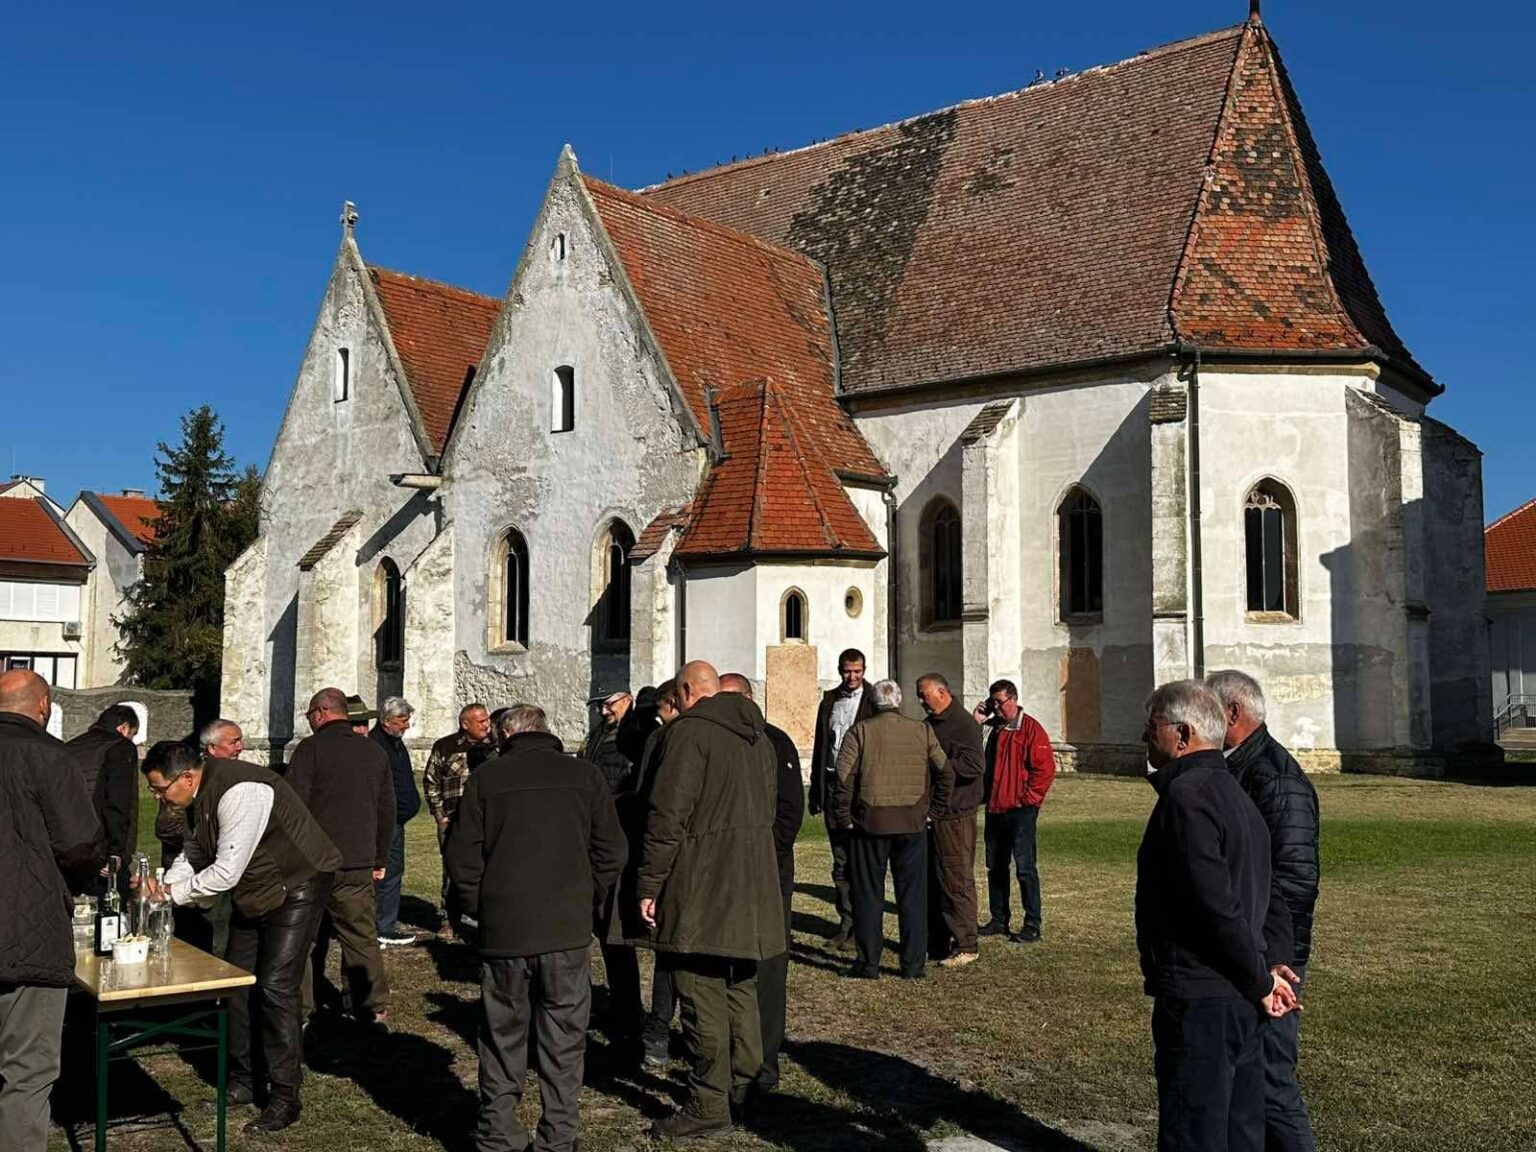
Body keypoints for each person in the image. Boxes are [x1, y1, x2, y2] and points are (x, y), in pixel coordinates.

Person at [447, 703, 625, 1152]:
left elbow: (462, 858)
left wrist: (482, 908)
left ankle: (499, 1133)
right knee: (564, 1038)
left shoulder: (487, 779)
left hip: (507, 929)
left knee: (502, 1036)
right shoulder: (584, 776)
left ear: (507, 734)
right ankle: (557, 1137)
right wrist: (586, 900)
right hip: (564, 929)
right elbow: (611, 851)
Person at [144, 741, 342, 1134]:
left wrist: (169, 894)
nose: (156, 796)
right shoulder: (195, 799)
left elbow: (225, 872)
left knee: (275, 986)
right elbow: (193, 853)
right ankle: (245, 1079)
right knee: (235, 982)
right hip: (255, 891)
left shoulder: (241, 791)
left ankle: (284, 1096)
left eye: (159, 788)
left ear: (186, 777)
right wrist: (163, 886)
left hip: (297, 883)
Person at [1137, 679, 1298, 1152]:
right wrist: (1271, 963)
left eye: (1152, 727)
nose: (1145, 737)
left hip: (1202, 995)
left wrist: (1262, 978)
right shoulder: (1233, 792)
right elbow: (1270, 893)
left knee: (1196, 1131)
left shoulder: (1188, 797)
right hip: (1239, 996)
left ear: (1182, 735)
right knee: (1239, 1130)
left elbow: (1214, 906)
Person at [638, 661, 783, 1138]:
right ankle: (747, 1090)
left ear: (685, 691)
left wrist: (649, 884)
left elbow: (667, 816)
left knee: (699, 990)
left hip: (702, 881)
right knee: (739, 986)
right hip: (751, 880)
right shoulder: (759, 737)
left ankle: (708, 1102)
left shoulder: (688, 734)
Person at [1208, 670, 1320, 1152]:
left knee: (1272, 1081)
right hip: (1249, 949)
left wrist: (1274, 958)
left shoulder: (1274, 777)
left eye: (1209, 709)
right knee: (1247, 1080)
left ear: (1232, 713)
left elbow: (1295, 878)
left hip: (1273, 956)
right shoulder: (1241, 768)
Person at [0, 670, 103, 1152]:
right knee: (27, 1070)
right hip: (28, 927)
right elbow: (80, 844)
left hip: (23, 921)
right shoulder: (48, 755)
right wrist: (80, 884)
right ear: (43, 706)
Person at [286, 688, 394, 1028]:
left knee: (302, 938)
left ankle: (300, 1009)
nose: (310, 721)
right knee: (359, 936)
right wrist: (379, 856)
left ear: (321, 712)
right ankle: (371, 1006)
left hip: (313, 861)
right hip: (357, 859)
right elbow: (386, 810)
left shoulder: (310, 749)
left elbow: (293, 807)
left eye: (309, 715)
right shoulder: (373, 751)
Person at [719, 672, 804, 1092]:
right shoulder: (717, 742)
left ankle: (764, 1061)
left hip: (769, 870)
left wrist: (765, 855)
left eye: (731, 699)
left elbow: (790, 810)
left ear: (750, 699)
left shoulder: (775, 741)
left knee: (769, 969)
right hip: (727, 873)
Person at [832, 680, 949, 979]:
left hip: (870, 824)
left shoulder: (860, 731)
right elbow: (945, 772)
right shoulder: (922, 730)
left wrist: (843, 817)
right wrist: (933, 811)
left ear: (873, 703)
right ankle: (913, 964)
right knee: (913, 897)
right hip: (912, 823)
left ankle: (868, 963)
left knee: (868, 896)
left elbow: (843, 778)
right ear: (899, 702)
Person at [807, 649, 877, 950]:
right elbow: (821, 746)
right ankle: (845, 924)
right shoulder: (830, 701)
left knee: (861, 860)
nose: (852, 677)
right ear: (840, 670)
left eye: (857, 671)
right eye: (848, 671)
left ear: (864, 670)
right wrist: (816, 790)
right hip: (834, 784)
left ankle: (862, 929)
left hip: (861, 787)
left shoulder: (874, 701)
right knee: (840, 861)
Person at [975, 679, 1055, 943]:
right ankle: (999, 919)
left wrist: (1028, 800)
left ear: (1014, 699)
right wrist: (977, 721)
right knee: (995, 867)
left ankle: (1032, 923)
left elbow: (1044, 770)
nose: (996, 707)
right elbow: (969, 748)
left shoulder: (1030, 729)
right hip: (995, 808)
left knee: (1025, 868)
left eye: (1000, 702)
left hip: (1020, 811)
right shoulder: (990, 729)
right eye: (993, 703)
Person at [585, 689, 643, 1048]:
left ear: (629, 699)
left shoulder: (635, 736)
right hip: (599, 838)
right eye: (600, 705)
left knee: (617, 934)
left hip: (622, 840)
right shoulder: (598, 735)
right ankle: (621, 1003)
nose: (604, 710)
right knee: (606, 933)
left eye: (611, 703)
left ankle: (630, 1012)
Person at [628, 679, 681, 1071]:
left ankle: (660, 1030)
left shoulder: (667, 740)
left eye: (661, 711)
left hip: (675, 859)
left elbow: (653, 804)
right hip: (691, 859)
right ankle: (662, 1030)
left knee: (672, 949)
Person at [916, 673, 986, 967]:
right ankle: (937, 943)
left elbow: (975, 765)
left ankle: (966, 944)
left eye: (925, 696)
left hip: (956, 814)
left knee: (956, 879)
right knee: (934, 881)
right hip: (936, 813)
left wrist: (939, 763)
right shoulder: (931, 723)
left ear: (942, 693)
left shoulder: (963, 724)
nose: (921, 702)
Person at [424, 703, 497, 940]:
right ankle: (450, 920)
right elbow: (431, 781)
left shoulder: (494, 747)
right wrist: (440, 816)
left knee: (488, 868)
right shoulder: (446, 746)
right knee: (452, 870)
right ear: (465, 724)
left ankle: (486, 920)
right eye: (480, 721)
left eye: (487, 719)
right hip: (453, 820)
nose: (486, 725)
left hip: (486, 819)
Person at [65, 702, 139, 896]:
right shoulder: (121, 747)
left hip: (68, 845)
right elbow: (118, 802)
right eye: (132, 734)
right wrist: (116, 852)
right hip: (100, 847)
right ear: (124, 728)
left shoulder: (71, 747)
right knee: (114, 903)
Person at [371, 696, 421, 948]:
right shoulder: (377, 746)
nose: (407, 725)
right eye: (402, 720)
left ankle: (383, 922)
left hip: (395, 820)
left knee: (392, 870)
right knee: (385, 871)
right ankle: (383, 926)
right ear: (386, 721)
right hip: (384, 821)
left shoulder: (394, 743)